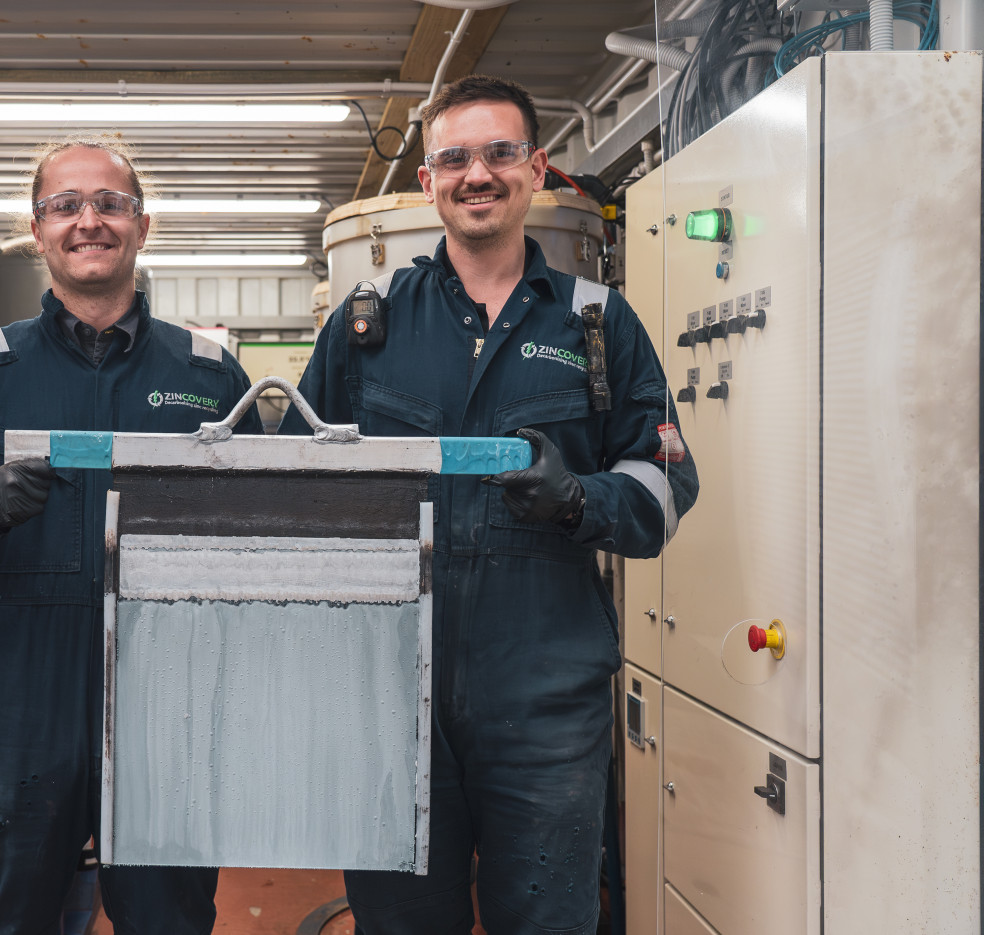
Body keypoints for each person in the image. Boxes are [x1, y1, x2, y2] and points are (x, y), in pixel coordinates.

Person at [280, 75, 698, 934]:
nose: (479, 173)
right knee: (400, 921)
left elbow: (668, 481)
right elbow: (291, 488)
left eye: (500, 153)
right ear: (429, 180)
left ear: (536, 169)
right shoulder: (369, 323)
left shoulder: (597, 322)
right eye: (455, 157)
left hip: (544, 696)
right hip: (390, 695)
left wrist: (581, 498)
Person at [0, 136, 261, 934]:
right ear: (37, 230)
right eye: (66, 206)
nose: (88, 221)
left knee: (171, 920)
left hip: (172, 700)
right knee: (5, 920)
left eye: (109, 204)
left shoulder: (210, 377)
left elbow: (264, 554)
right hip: (22, 697)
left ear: (142, 225)